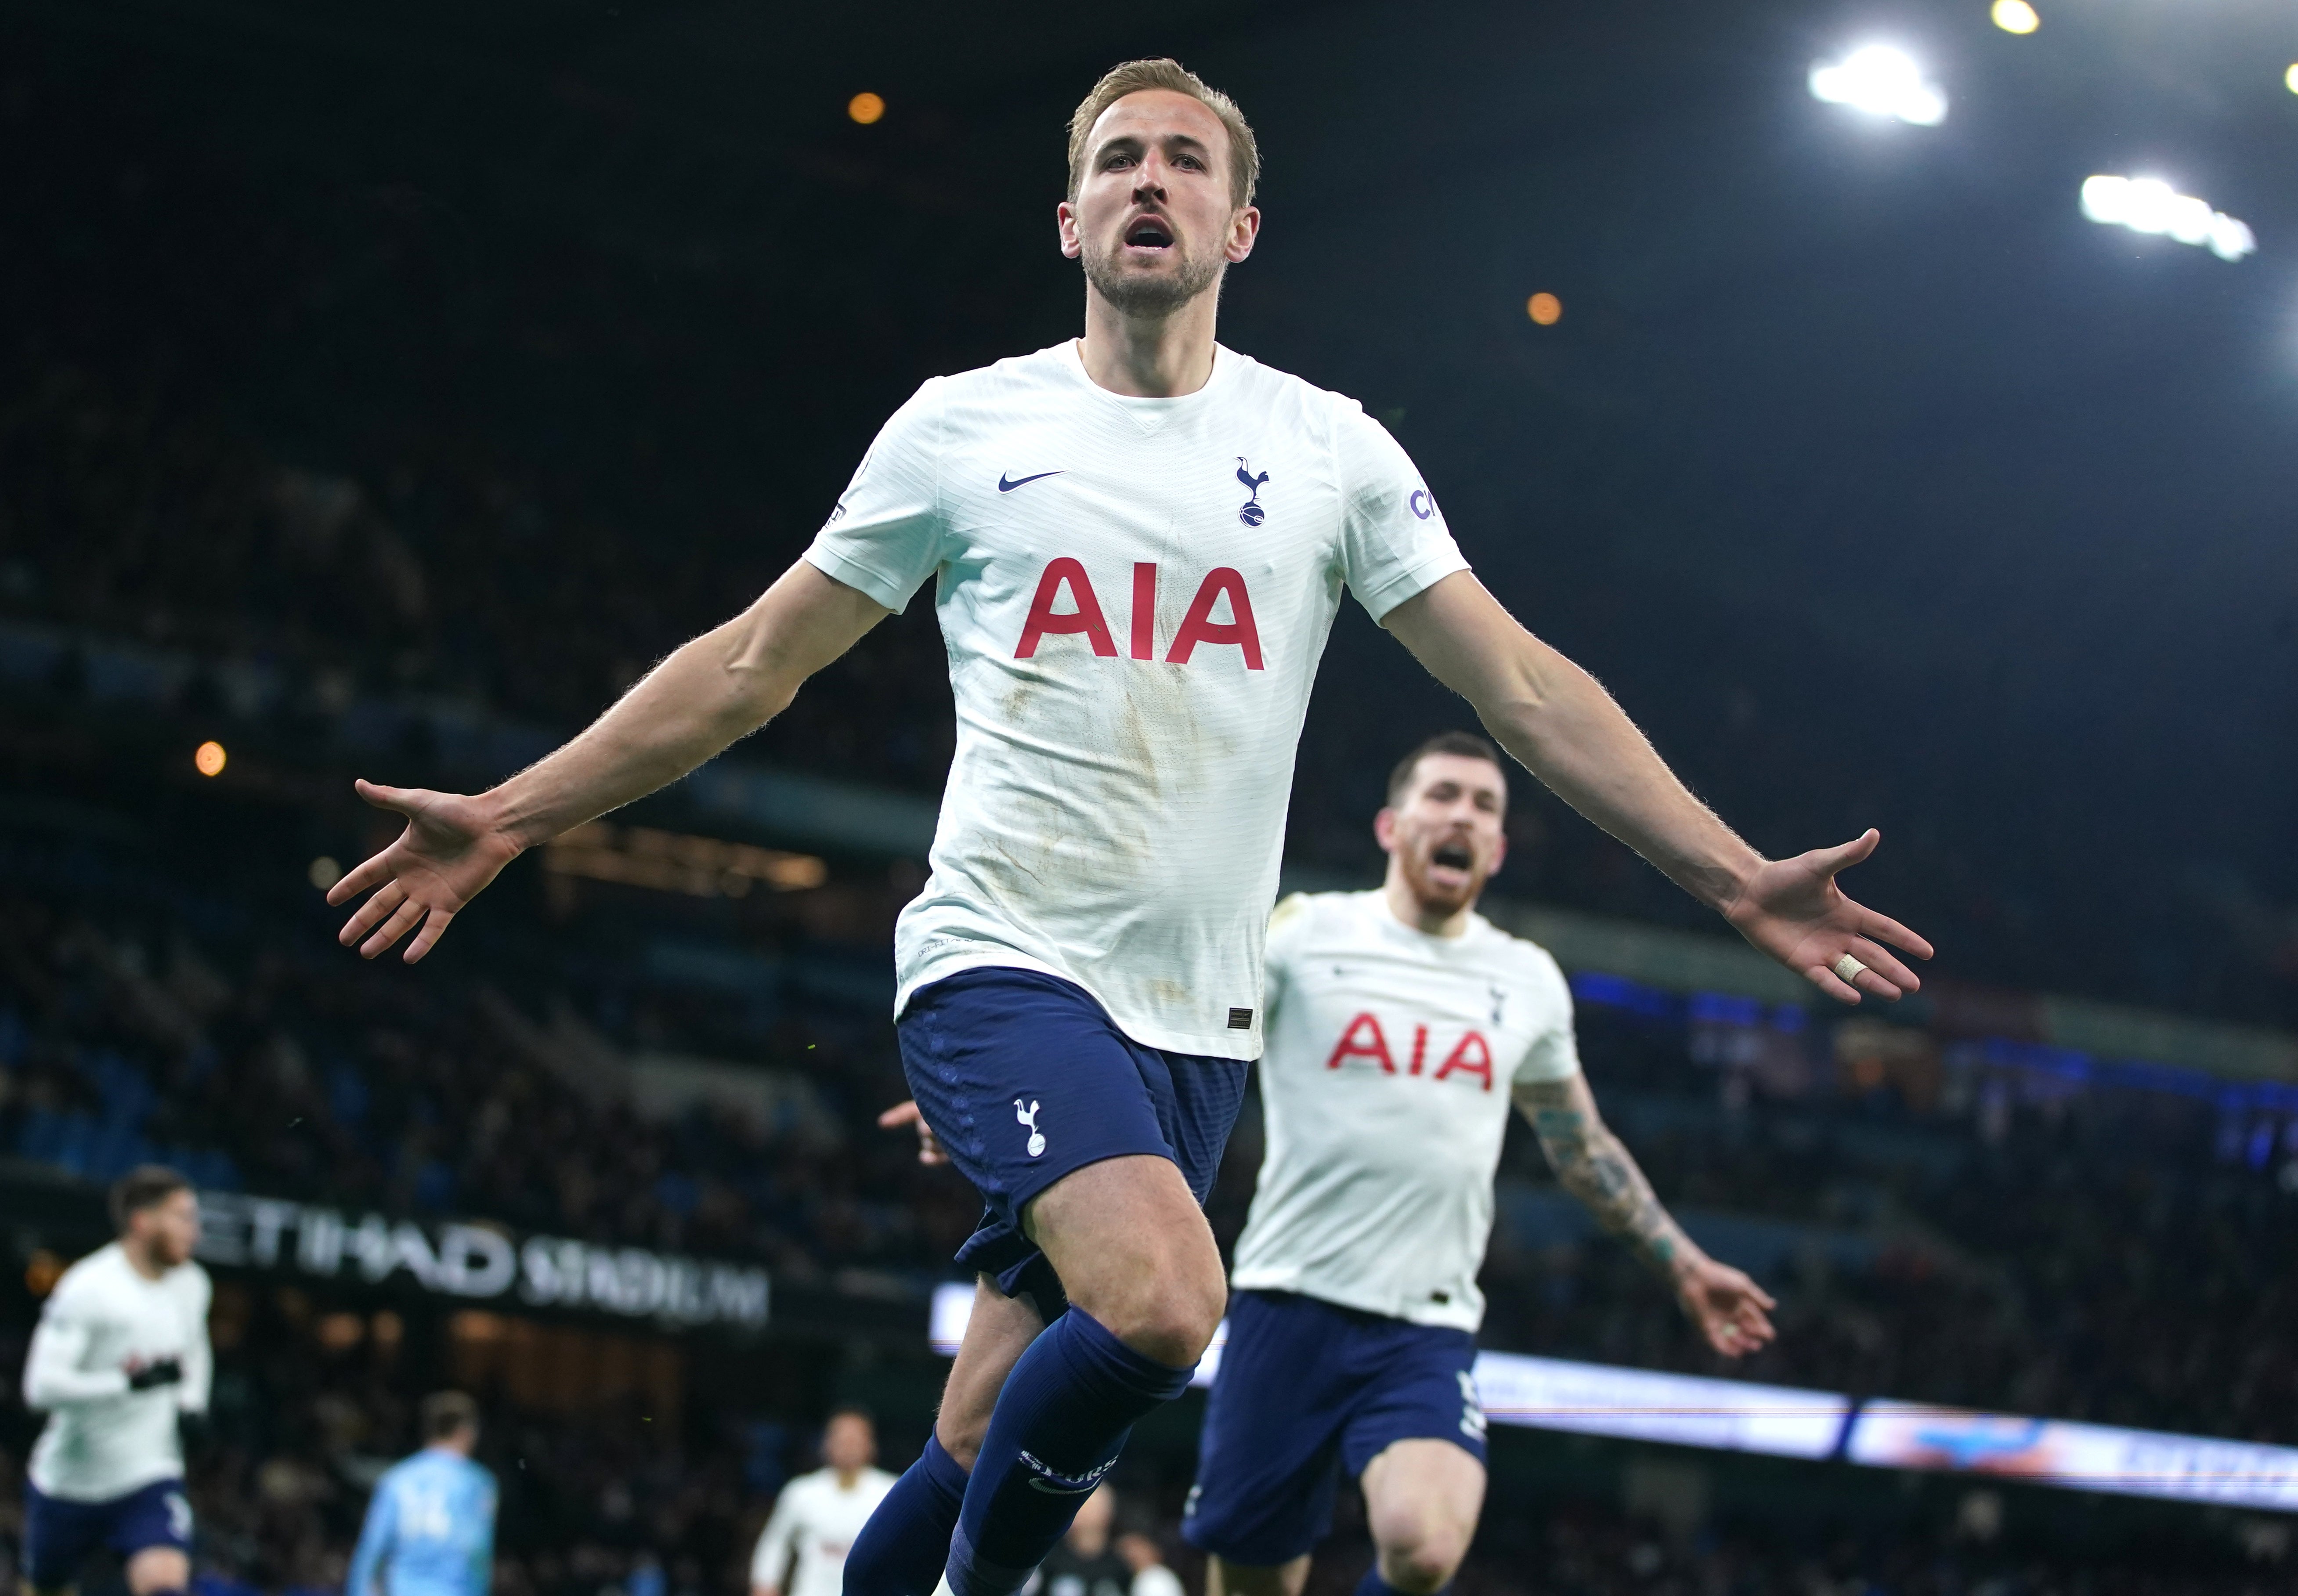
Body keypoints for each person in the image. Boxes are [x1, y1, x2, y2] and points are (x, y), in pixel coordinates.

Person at [322, 54, 1929, 1596]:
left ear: (1237, 228)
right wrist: (515, 816)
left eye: (1183, 161)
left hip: (1196, 1028)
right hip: (1000, 961)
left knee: (967, 1436)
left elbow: (1518, 684)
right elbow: (749, 666)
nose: (1145, 179)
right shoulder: (963, 428)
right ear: (1071, 224)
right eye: (1114, 160)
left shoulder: (1328, 453)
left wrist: (1727, 873)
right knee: (1167, 1305)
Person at [1183, 732, 1774, 1596]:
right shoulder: (1306, 931)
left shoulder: (1525, 977)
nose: (1463, 813)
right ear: (1393, 824)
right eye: (1444, 794)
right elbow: (1189, 1032)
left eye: (1485, 805)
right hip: (1287, 1302)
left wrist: (1683, 1266)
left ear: (1496, 849)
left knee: (1423, 1547)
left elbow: (1582, 1146)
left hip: (1425, 1327)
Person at [20, 1166, 212, 1596]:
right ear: (142, 1222)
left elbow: (196, 1347)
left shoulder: (193, 1284)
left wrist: (192, 1402)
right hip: (68, 1482)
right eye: (182, 1217)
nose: (194, 1231)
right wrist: (127, 1384)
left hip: (148, 1475)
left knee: (165, 1583)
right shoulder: (88, 1288)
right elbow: (40, 1388)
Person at [344, 1391, 497, 1596]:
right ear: (466, 1432)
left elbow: (371, 1551)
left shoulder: (397, 1479)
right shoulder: (478, 1483)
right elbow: (478, 1551)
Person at [749, 1408, 897, 1596]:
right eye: (841, 1440)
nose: (848, 1448)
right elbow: (775, 1541)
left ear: (871, 1445)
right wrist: (765, 1584)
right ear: (827, 1444)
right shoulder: (801, 1492)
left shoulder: (891, 1493)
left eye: (855, 1440)